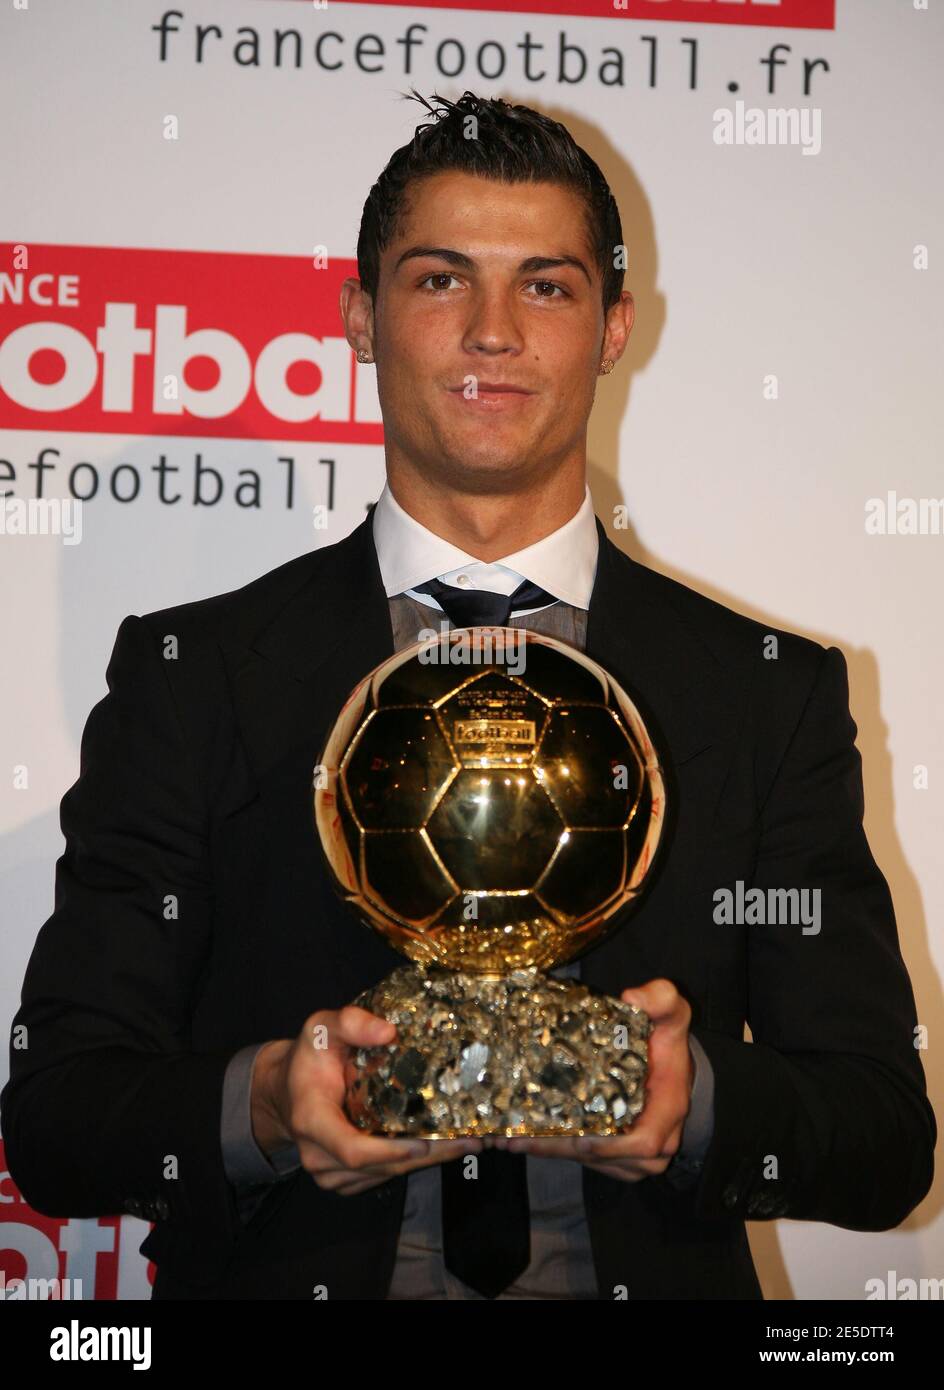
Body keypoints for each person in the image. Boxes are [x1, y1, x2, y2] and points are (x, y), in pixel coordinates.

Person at [2, 91, 934, 1301]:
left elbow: (879, 1136)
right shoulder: (194, 677)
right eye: (440, 280)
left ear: (612, 327)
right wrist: (272, 1106)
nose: (492, 332)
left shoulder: (766, 696)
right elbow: (59, 1115)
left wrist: (691, 1101)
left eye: (544, 286)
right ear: (357, 315)